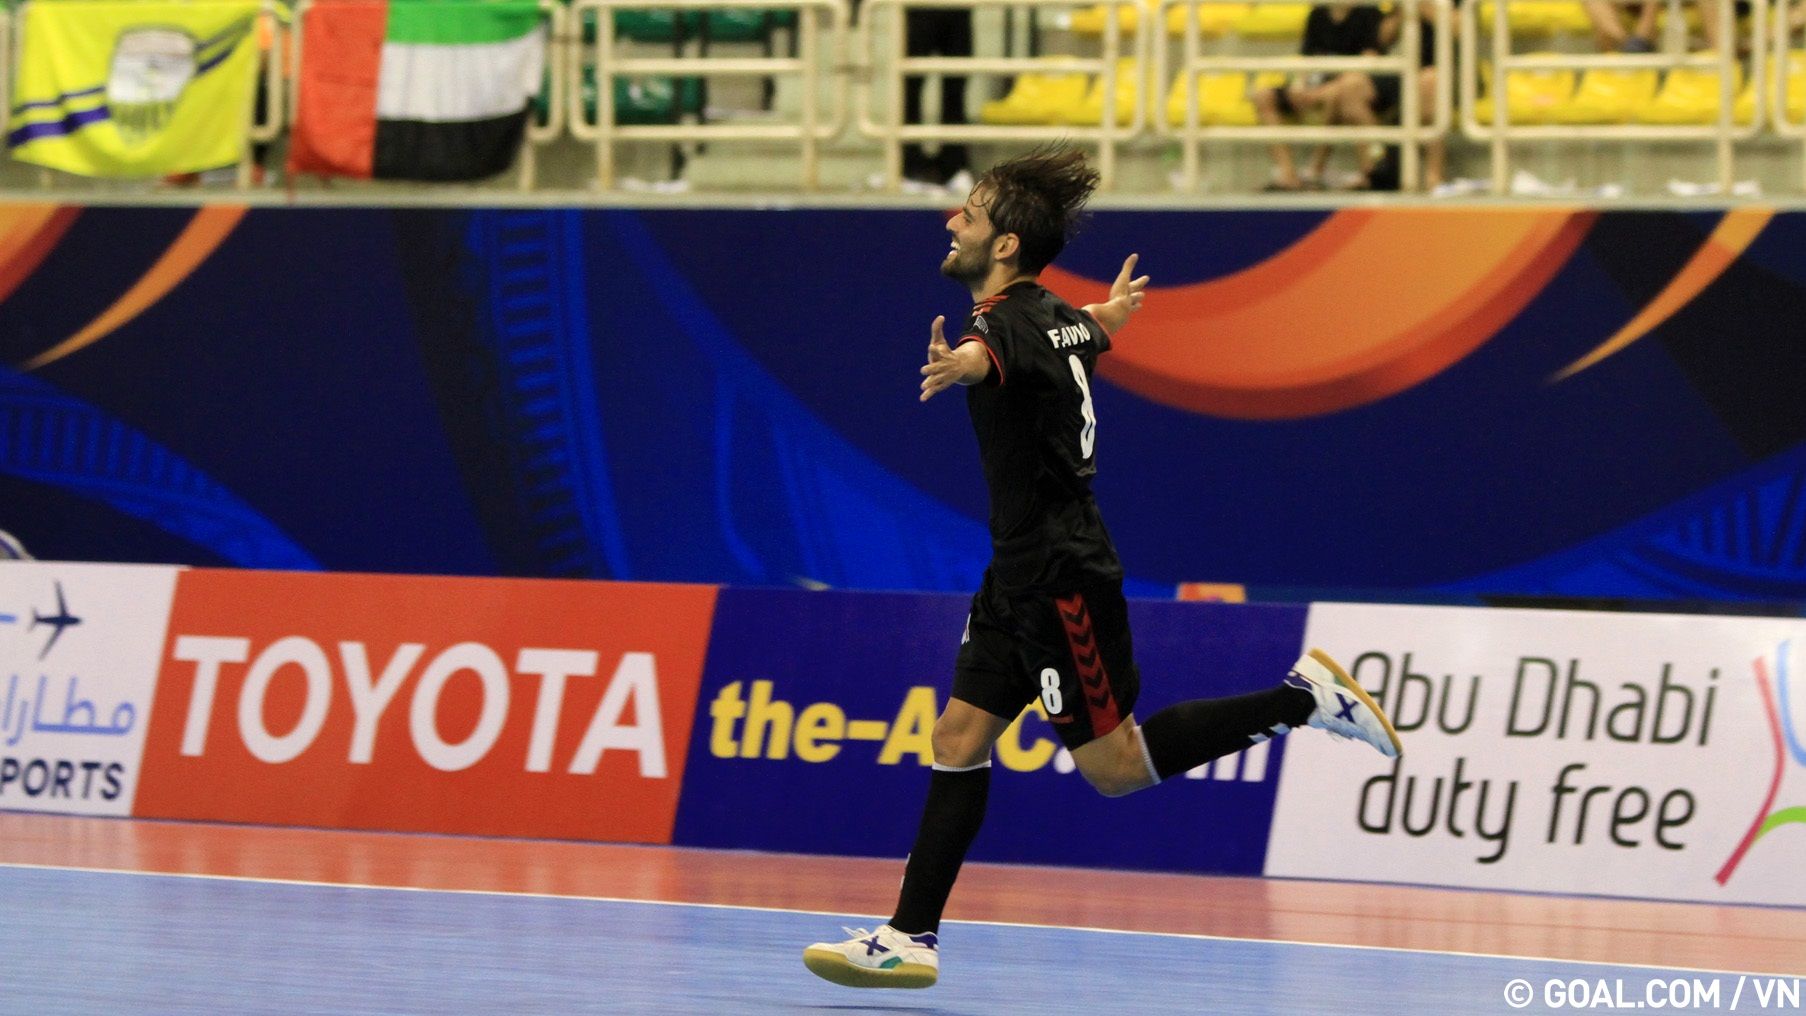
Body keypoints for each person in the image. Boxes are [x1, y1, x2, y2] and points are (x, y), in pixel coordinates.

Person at [800, 144, 1404, 991]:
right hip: (1016, 572)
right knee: (958, 736)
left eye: (968, 213)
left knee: (1115, 769)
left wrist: (961, 364)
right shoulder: (1057, 314)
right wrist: (1111, 314)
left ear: (1004, 245)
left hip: (1062, 578)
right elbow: (1085, 332)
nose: (951, 221)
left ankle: (1303, 699)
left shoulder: (1002, 325)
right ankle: (910, 935)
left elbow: (991, 354)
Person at [1251, 2, 1387, 191]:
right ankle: (1288, 175)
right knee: (1263, 96)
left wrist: (1323, 91)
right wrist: (1300, 86)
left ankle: (1316, 170)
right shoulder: (1317, 13)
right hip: (1315, 84)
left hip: (1349, 85)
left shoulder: (1369, 12)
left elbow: (1369, 60)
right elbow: (1307, 60)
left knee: (1340, 94)